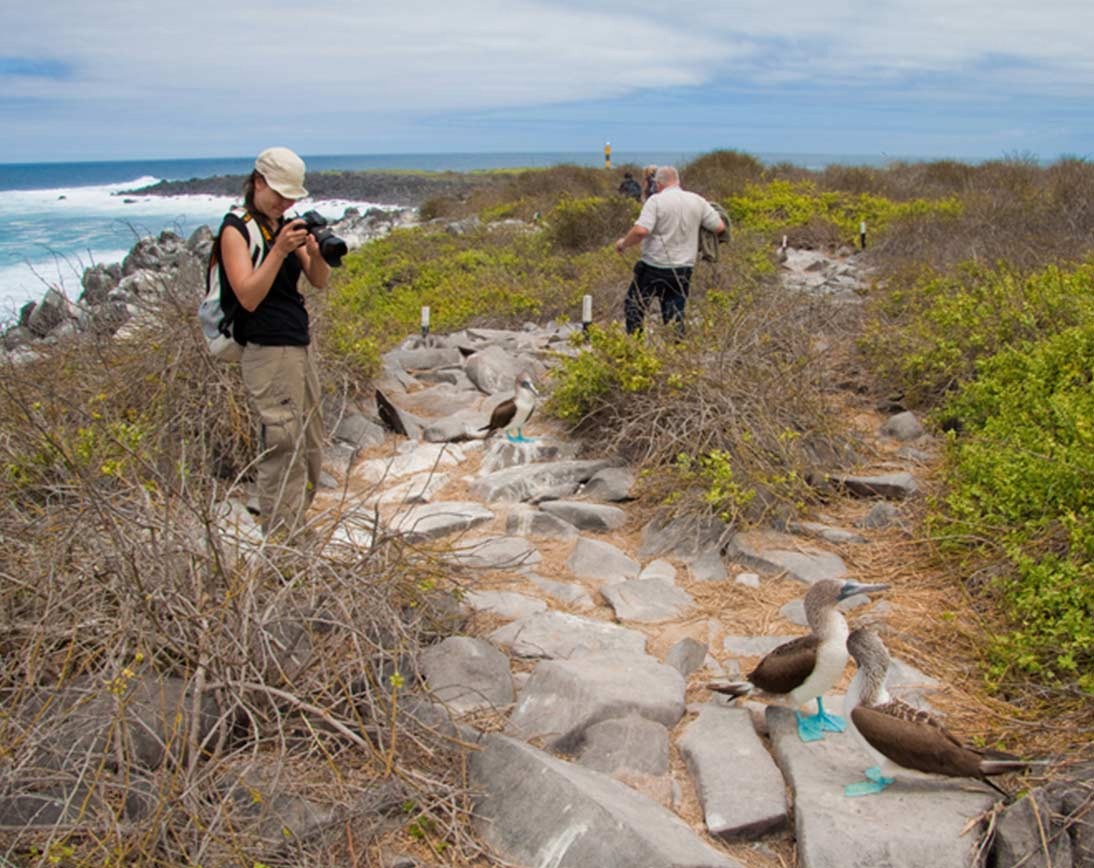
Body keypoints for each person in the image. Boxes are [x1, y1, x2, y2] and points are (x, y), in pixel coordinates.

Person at [214, 146, 331, 538]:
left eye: (291, 197)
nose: (285, 203)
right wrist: (279, 250)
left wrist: (314, 253)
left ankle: (295, 526)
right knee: (284, 447)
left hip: (297, 344)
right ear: (257, 182)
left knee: (311, 443)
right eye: (278, 194)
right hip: (266, 349)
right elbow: (247, 295)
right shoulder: (237, 228)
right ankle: (284, 544)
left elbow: (318, 280)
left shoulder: (285, 224)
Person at [614, 165, 726, 336]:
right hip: (683, 268)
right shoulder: (697, 200)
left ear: (658, 184)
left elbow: (640, 231)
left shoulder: (656, 201)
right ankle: (676, 351)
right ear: (678, 181)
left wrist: (623, 244)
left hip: (654, 267)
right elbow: (719, 227)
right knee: (674, 315)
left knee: (634, 306)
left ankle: (635, 348)